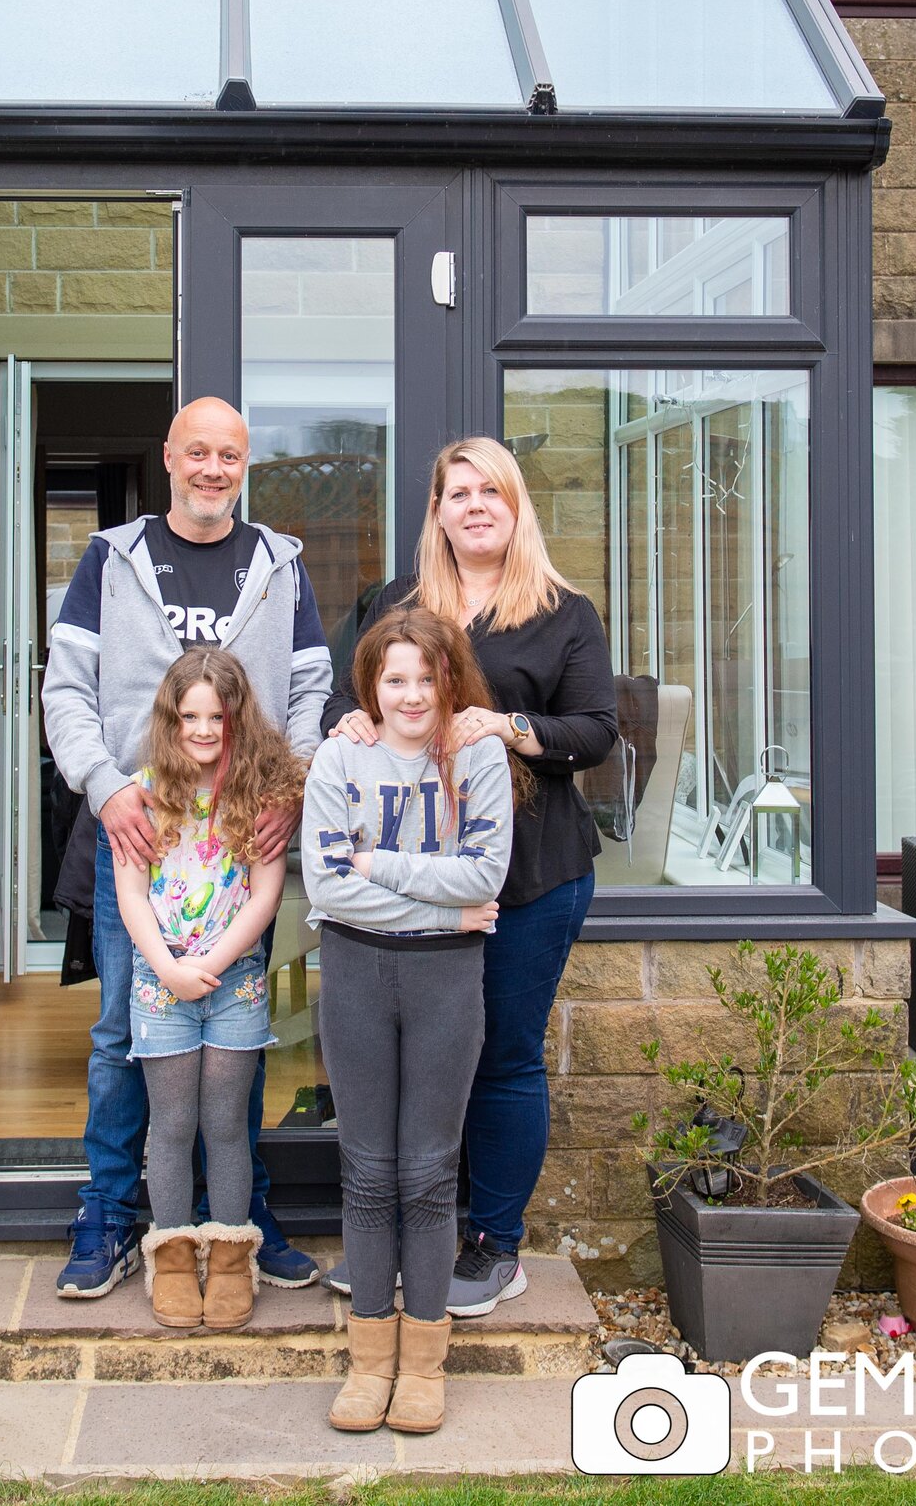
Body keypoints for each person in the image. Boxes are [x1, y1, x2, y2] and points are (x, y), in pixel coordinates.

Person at [41, 397, 333, 1299]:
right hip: (137, 829)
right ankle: (115, 1211)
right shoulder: (112, 559)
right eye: (197, 451)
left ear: (246, 465)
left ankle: (237, 1218)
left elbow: (314, 689)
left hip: (243, 834)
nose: (213, 468)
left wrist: (294, 783)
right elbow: (64, 690)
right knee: (125, 1031)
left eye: (230, 455)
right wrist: (106, 783)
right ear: (169, 456)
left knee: (232, 1032)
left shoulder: (277, 564)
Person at [320, 437, 616, 1317]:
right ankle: (403, 1244)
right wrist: (351, 727)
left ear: (516, 506)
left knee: (502, 1060)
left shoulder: (565, 612)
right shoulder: (396, 603)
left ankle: (494, 1244)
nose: (476, 505)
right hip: (410, 881)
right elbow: (348, 700)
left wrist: (506, 724)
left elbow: (595, 731)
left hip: (528, 877)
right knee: (412, 1065)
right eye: (459, 492)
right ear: (439, 511)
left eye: (493, 490)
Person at [303, 609, 520, 1436]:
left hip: (444, 980)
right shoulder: (340, 754)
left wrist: (379, 862)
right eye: (395, 678)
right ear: (371, 685)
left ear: (450, 680)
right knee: (366, 1167)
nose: (411, 694)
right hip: (357, 970)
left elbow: (485, 871)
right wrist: (445, 903)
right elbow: (326, 889)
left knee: (429, 1170)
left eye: (427, 678)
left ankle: (424, 1365)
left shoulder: (480, 755)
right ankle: (368, 1363)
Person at [115, 648, 303, 1330]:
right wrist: (168, 967)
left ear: (236, 719)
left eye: (215, 716)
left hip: (235, 981)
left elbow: (265, 893)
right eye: (188, 715)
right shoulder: (141, 794)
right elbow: (130, 892)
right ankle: (171, 1257)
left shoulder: (260, 795)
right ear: (170, 719)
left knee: (225, 1125)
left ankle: (228, 1257)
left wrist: (215, 961)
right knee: (170, 1125)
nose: (201, 729)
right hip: (160, 982)